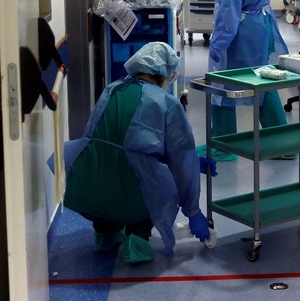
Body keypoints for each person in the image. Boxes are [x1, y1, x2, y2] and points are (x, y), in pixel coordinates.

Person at [61, 42, 210, 264]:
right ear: (163, 72)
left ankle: (105, 233)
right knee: (154, 183)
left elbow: (98, 139)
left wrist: (193, 159)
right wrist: (193, 210)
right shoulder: (166, 102)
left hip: (88, 188)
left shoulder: (112, 89)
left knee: (110, 169)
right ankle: (138, 237)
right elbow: (181, 160)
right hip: (132, 193)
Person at [200, 0, 291, 162]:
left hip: (240, 29)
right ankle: (283, 144)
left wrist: (220, 40)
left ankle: (224, 144)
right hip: (257, 26)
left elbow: (229, 4)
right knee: (262, 81)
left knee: (222, 81)